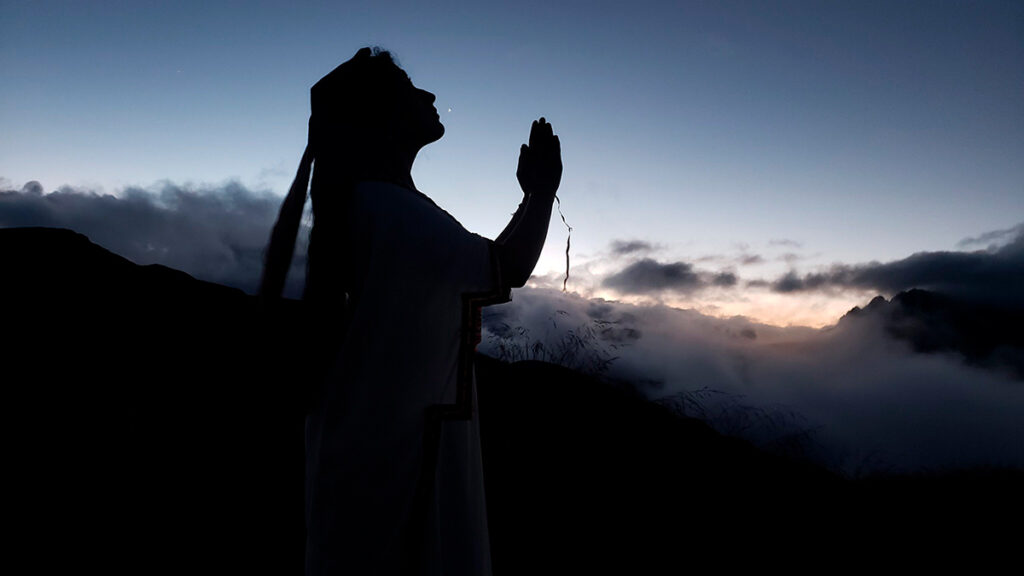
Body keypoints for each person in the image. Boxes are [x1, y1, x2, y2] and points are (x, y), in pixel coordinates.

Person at [260, 47, 562, 575]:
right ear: (381, 116)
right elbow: (508, 264)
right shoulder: (397, 215)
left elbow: (486, 259)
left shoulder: (367, 206)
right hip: (401, 474)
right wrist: (541, 192)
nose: (428, 95)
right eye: (408, 88)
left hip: (364, 463)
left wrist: (534, 197)